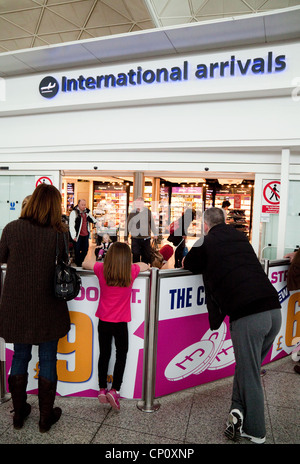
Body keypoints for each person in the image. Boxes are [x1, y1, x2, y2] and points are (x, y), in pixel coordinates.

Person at [183, 207, 282, 444]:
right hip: (273, 310)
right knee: (248, 366)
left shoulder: (205, 241)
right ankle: (237, 409)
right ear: (224, 221)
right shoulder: (240, 237)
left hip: (249, 315)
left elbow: (189, 263)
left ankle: (255, 431)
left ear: (205, 225)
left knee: (250, 374)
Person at [0, 183, 70, 432]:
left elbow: (2, 258)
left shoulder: (11, 228)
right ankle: (44, 418)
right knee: (48, 358)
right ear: (54, 206)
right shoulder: (59, 232)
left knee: (20, 356)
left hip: (18, 306)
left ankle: (19, 415)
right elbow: (65, 263)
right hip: (49, 306)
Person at [83, 242, 149, 410]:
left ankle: (101, 388)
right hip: (121, 323)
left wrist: (91, 249)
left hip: (104, 321)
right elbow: (145, 265)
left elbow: (85, 263)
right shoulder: (131, 271)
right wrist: (133, 264)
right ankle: (115, 389)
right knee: (121, 354)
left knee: (104, 354)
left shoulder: (101, 269)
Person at [125, 197, 158, 264]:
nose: (138, 204)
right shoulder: (132, 213)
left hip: (146, 238)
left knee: (146, 256)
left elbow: (152, 223)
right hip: (135, 239)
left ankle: (145, 271)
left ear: (143, 203)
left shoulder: (148, 212)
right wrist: (125, 238)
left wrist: (155, 233)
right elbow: (127, 226)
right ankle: (136, 271)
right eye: (137, 203)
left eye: (140, 203)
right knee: (135, 255)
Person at [69, 199, 97, 266]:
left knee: (85, 250)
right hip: (78, 235)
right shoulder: (74, 213)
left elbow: (92, 219)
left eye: (84, 205)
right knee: (77, 250)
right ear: (78, 205)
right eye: (82, 205)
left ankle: (79, 262)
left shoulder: (87, 212)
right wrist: (74, 236)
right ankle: (78, 264)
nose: (84, 206)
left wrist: (97, 222)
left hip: (85, 235)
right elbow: (71, 225)